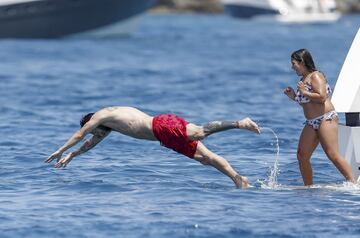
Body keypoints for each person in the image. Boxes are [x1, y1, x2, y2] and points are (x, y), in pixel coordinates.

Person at [46, 106, 260, 188]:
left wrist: (61, 150)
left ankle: (241, 123)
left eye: (91, 128)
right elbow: (89, 142)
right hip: (164, 136)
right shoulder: (106, 126)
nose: (94, 133)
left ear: (89, 121)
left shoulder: (102, 115)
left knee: (200, 132)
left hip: (162, 126)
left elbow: (81, 134)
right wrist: (73, 155)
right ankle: (239, 180)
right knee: (206, 159)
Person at [283, 49, 355, 185]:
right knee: (302, 155)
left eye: (294, 64)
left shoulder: (316, 76)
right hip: (311, 122)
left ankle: (353, 184)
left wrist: (303, 91)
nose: (292, 67)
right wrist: (294, 96)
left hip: (326, 118)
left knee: (332, 154)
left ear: (302, 62)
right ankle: (308, 186)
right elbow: (308, 103)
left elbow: (322, 97)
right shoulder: (302, 79)